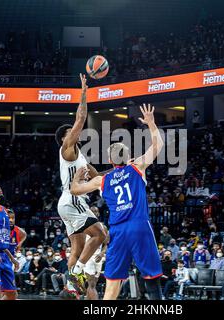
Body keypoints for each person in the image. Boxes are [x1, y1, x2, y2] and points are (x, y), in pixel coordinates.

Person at [70, 104, 164, 300]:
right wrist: (151, 124)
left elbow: (75, 190)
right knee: (151, 279)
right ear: (128, 156)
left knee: (112, 285)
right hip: (139, 226)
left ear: (110, 161)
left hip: (118, 231)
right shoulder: (137, 167)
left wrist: (77, 177)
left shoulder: (102, 180)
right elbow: (158, 146)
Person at [55, 73, 107, 294]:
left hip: (68, 203)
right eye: (71, 133)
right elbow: (80, 119)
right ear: (66, 138)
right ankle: (76, 272)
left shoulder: (81, 158)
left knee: (76, 249)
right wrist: (84, 93)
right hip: (73, 199)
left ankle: (70, 289)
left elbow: (99, 178)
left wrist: (125, 169)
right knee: (100, 235)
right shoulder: (67, 149)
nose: (76, 133)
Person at [83, 206, 110, 300]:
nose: (94, 212)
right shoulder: (83, 226)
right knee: (92, 284)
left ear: (98, 213)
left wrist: (102, 253)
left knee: (92, 284)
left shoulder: (104, 227)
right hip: (87, 257)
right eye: (92, 211)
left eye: (96, 211)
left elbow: (106, 244)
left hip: (98, 258)